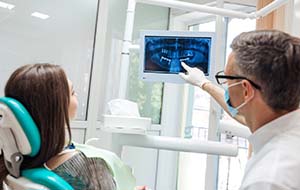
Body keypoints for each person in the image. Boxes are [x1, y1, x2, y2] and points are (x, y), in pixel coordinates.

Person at [179, 30, 300, 190]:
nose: (226, 86)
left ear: (245, 90)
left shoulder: (268, 180)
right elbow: (242, 115)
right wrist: (204, 84)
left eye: (226, 79)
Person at [0, 64, 147, 190]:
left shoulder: (17, 166)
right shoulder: (87, 167)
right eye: (72, 92)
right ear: (54, 109)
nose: (77, 96)